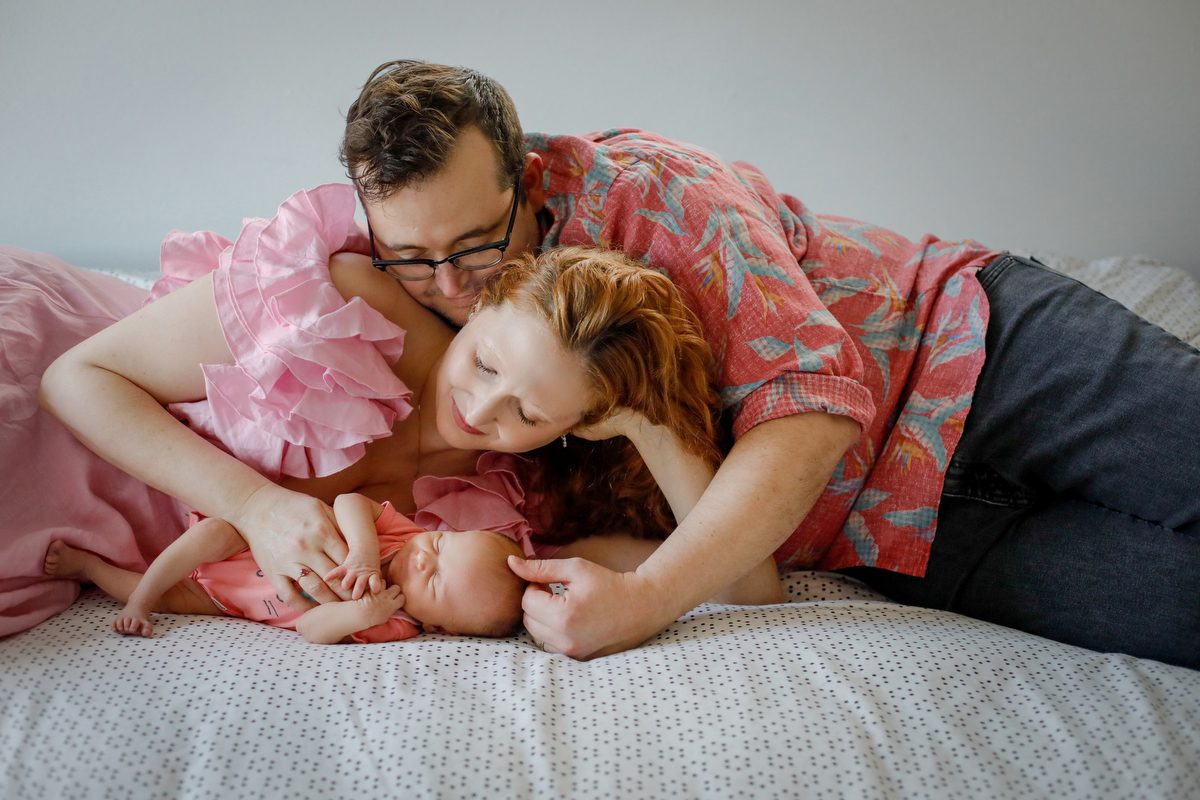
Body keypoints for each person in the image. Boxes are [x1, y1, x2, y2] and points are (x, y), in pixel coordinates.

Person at [330, 60, 1198, 668]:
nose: (446, 284)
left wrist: (649, 599)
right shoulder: (427, 338)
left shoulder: (653, 192)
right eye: (410, 255)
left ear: (523, 178)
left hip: (982, 352)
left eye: (475, 244)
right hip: (908, 532)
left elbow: (811, 407)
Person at [15, 235, 781, 640]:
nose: (481, 412)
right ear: (484, 303)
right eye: (484, 362)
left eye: (530, 415)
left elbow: (746, 587)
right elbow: (73, 381)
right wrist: (256, 505)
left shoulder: (499, 513)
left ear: (577, 428)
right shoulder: (347, 311)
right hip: (65, 389)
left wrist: (645, 419)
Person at [43, 493, 528, 643]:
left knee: (179, 599)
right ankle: (140, 601)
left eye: (435, 579)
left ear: (438, 625)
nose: (425, 557)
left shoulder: (394, 624)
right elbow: (348, 501)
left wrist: (363, 615)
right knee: (211, 535)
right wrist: (361, 550)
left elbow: (313, 630)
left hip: (229, 601)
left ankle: (90, 568)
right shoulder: (400, 534)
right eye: (440, 542)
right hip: (245, 547)